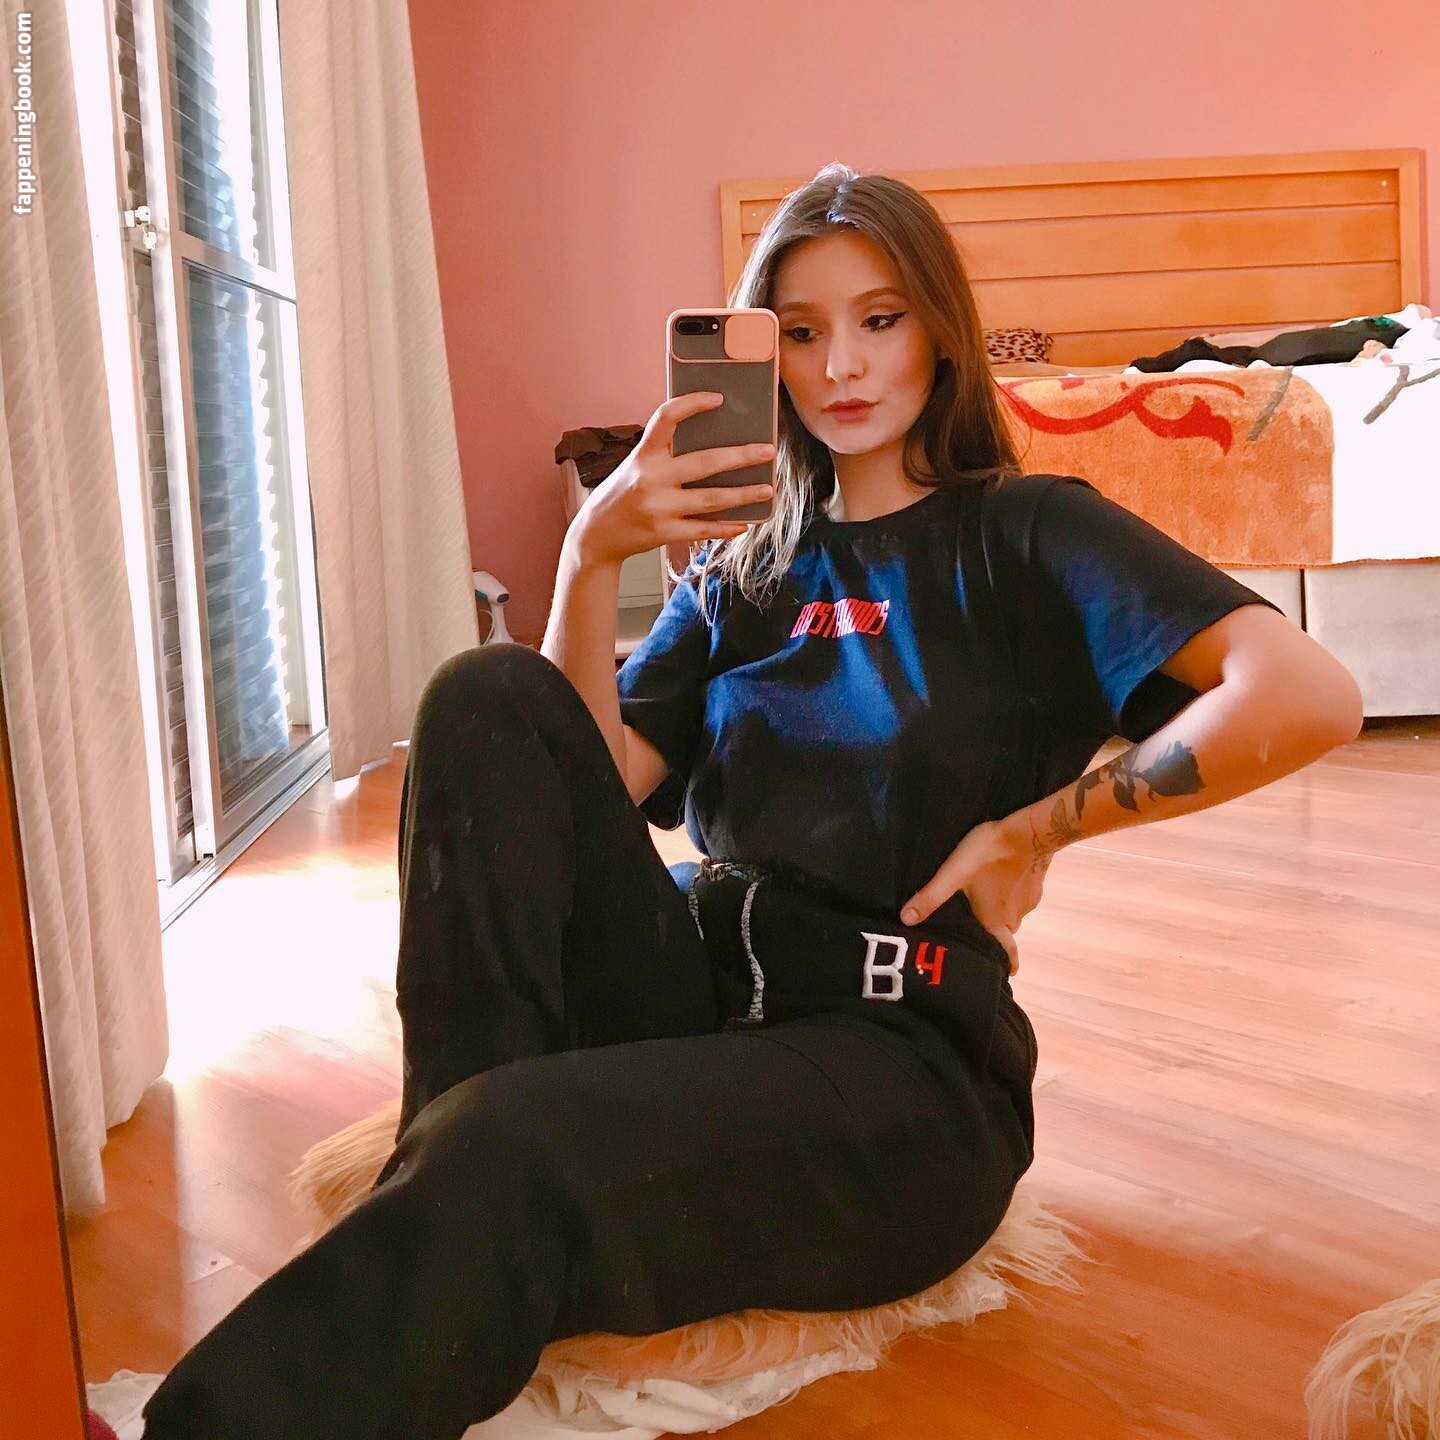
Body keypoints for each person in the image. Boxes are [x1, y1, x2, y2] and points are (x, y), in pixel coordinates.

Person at [139, 165, 1363, 1440]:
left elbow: (1306, 692)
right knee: (484, 692)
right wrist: (590, 553)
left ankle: (393, 1257)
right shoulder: (744, 570)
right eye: (801, 331)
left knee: (512, 1147)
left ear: (941, 329)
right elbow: (575, 796)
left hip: (895, 1063)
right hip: (694, 990)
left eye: (879, 319)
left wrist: (1037, 827)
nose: (841, 365)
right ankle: (454, 1166)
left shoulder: (1026, 532)